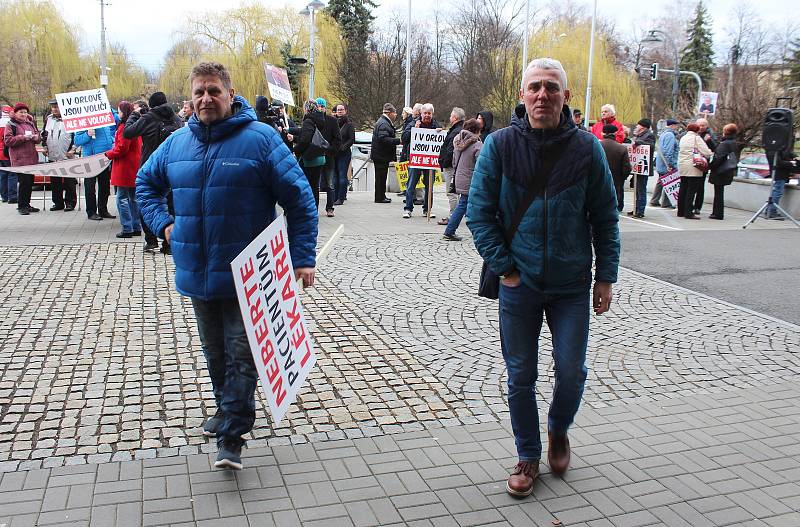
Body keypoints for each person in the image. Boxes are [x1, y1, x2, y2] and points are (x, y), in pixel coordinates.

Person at [137, 62, 317, 471]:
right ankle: (226, 411)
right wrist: (164, 224)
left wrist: (302, 257)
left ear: (230, 95)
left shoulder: (261, 140)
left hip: (250, 273)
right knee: (215, 352)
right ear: (191, 97)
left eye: (214, 91)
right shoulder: (177, 143)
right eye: (199, 91)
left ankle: (232, 434)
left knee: (242, 352)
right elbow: (145, 185)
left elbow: (300, 201)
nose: (206, 99)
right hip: (197, 271)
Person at [468, 58, 619, 496]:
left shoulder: (587, 149)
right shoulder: (499, 146)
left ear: (566, 97)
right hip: (522, 283)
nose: (542, 95)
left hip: (571, 284)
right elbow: (479, 215)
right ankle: (527, 455)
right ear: (522, 95)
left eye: (551, 87)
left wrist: (604, 276)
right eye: (534, 87)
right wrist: (507, 269)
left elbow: (605, 217)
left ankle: (558, 428)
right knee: (520, 375)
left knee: (571, 371)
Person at [124, 91, 183, 253]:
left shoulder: (148, 118)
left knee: (147, 201)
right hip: (172, 166)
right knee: (171, 204)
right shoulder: (177, 119)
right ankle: (168, 243)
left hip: (150, 166)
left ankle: (151, 240)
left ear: (152, 105)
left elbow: (128, 132)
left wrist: (135, 115)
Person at [105, 101, 142, 237]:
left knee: (122, 198)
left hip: (124, 166)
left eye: (119, 110)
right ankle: (136, 226)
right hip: (134, 165)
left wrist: (109, 154)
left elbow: (122, 148)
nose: (118, 113)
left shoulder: (123, 127)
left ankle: (127, 228)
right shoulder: (136, 125)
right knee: (133, 198)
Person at [442, 118, 482, 241]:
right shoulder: (477, 144)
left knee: (468, 205)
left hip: (459, 176)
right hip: (471, 178)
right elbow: (481, 163)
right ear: (476, 130)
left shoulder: (457, 140)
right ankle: (449, 231)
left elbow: (454, 161)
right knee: (465, 204)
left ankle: (475, 230)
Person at [402, 103, 440, 219]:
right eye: (425, 113)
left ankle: (427, 209)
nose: (427, 115)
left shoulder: (436, 125)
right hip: (416, 160)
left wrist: (439, 133)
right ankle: (408, 208)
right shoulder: (413, 123)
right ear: (421, 114)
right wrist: (414, 130)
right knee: (411, 184)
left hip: (429, 161)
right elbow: (404, 138)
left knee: (429, 186)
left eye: (429, 113)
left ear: (432, 114)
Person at [3, 103, 41, 215]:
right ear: (15, 113)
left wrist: (36, 137)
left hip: (31, 159)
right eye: (21, 112)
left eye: (25, 112)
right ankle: (22, 206)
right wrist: (23, 137)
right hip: (19, 160)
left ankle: (27, 204)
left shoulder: (30, 123)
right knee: (24, 183)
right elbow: (8, 141)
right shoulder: (11, 125)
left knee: (30, 183)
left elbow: (37, 138)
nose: (24, 114)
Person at [74, 119, 116, 221]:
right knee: (90, 187)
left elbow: (107, 136)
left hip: (104, 159)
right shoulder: (83, 122)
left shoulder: (103, 121)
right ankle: (91, 211)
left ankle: (103, 210)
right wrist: (88, 134)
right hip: (90, 159)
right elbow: (77, 140)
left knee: (105, 186)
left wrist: (113, 141)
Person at [292, 99, 328, 211]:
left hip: (309, 158)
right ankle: (314, 210)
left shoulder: (308, 120)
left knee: (306, 186)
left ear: (307, 108)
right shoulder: (320, 119)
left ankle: (308, 210)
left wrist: (295, 150)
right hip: (320, 156)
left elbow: (305, 140)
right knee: (315, 186)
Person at [42, 99, 77, 211]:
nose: (54, 109)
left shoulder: (71, 119)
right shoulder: (49, 119)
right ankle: (58, 203)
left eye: (57, 107)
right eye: (53, 107)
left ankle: (70, 203)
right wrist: (44, 146)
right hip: (53, 154)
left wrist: (73, 149)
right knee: (55, 181)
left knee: (69, 181)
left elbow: (76, 135)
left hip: (67, 155)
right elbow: (45, 133)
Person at [677, 122, 711, 219]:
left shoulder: (683, 138)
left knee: (683, 188)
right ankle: (688, 212)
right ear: (697, 130)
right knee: (691, 190)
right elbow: (706, 152)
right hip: (693, 166)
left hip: (682, 165)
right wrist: (710, 152)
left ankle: (681, 211)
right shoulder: (696, 138)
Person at [437, 107, 465, 226]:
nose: (449, 118)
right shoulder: (458, 130)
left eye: (451, 116)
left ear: (455, 118)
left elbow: (450, 150)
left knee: (451, 192)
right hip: (453, 165)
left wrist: (444, 162)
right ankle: (455, 215)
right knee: (454, 192)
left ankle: (453, 216)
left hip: (450, 166)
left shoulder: (456, 131)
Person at [369, 103, 400, 204]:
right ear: (390, 113)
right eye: (395, 113)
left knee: (380, 177)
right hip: (381, 155)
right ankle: (380, 197)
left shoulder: (383, 122)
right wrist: (397, 141)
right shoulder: (384, 124)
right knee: (381, 177)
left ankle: (381, 195)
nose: (396, 115)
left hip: (380, 155)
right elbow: (384, 139)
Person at [315, 97, 341, 217]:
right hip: (315, 156)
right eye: (318, 106)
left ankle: (330, 208)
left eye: (322, 106)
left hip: (328, 157)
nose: (320, 108)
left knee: (330, 184)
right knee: (315, 185)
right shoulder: (312, 120)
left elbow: (337, 139)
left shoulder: (332, 121)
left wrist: (330, 150)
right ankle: (314, 208)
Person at [707, 123, 738, 220]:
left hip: (720, 171)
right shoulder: (733, 142)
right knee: (719, 192)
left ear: (725, 132)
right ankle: (717, 213)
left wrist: (710, 166)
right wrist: (710, 142)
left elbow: (718, 157)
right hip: (727, 171)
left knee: (718, 193)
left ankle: (717, 213)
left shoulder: (725, 143)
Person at [599, 124, 631, 212]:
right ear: (615, 134)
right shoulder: (621, 148)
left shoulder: (596, 145)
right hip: (616, 180)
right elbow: (627, 168)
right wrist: (622, 178)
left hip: (598, 178)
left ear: (603, 133)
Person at [628, 118, 656, 218]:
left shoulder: (649, 135)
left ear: (643, 127)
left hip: (644, 167)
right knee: (636, 188)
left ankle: (640, 210)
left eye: (638, 125)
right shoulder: (640, 135)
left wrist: (639, 142)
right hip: (638, 166)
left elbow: (651, 146)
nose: (636, 126)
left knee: (641, 189)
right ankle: (636, 208)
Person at [652, 119, 680, 208]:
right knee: (669, 182)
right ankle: (666, 202)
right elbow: (668, 151)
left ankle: (655, 200)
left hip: (661, 163)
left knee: (661, 181)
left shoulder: (663, 134)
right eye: (676, 125)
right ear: (672, 125)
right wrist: (670, 164)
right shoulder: (670, 135)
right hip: (667, 164)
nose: (677, 127)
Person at [765, 147, 799, 220]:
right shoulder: (773, 150)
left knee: (776, 191)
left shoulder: (779, 147)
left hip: (781, 173)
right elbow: (778, 162)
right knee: (777, 192)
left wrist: (795, 156)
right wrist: (790, 163)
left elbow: (787, 152)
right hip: (779, 173)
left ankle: (769, 211)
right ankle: (771, 212)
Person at [694, 118, 717, 215]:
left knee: (700, 187)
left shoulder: (710, 135)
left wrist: (709, 141)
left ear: (706, 126)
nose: (701, 127)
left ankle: (697, 207)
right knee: (691, 186)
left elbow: (715, 148)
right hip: (693, 162)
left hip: (703, 164)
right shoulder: (693, 133)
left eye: (703, 125)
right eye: (700, 125)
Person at [333, 103, 354, 205]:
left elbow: (351, 139)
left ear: (345, 111)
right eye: (338, 110)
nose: (340, 111)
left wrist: (343, 147)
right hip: (334, 153)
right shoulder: (333, 122)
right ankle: (335, 196)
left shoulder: (349, 124)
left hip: (344, 153)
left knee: (342, 175)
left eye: (341, 109)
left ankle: (341, 197)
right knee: (335, 176)